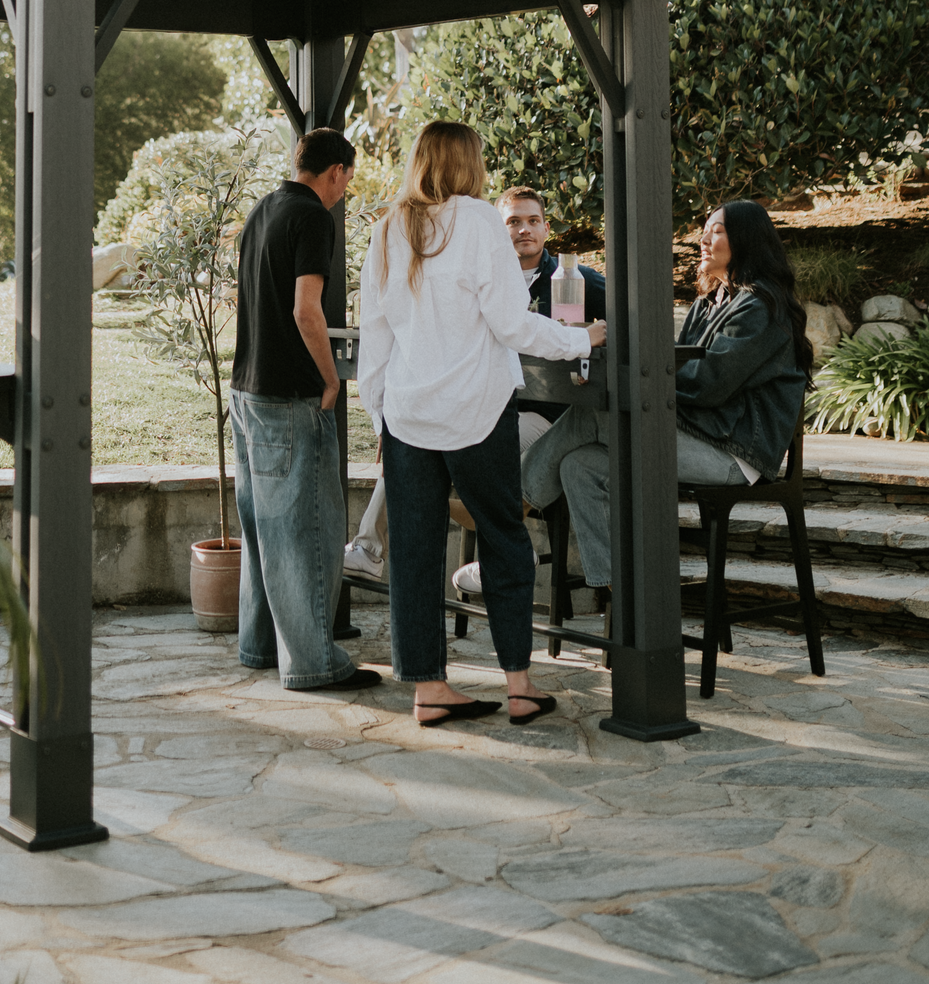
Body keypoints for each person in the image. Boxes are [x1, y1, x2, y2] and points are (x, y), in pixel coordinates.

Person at [358, 122, 606, 726]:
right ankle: (519, 685)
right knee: (504, 539)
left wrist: (381, 418)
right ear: (467, 162)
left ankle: (429, 690)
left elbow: (375, 338)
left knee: (413, 553)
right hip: (478, 412)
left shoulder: (388, 229)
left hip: (408, 417)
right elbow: (512, 324)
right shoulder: (475, 220)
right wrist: (582, 339)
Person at [520, 199, 812, 600]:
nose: (704, 240)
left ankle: (513, 506)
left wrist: (634, 381)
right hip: (701, 432)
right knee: (578, 465)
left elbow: (705, 384)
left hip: (733, 453)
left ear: (747, 240)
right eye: (704, 232)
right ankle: (623, 595)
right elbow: (673, 366)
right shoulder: (709, 302)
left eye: (717, 231)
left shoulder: (761, 306)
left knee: (590, 417)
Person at [345, 182, 604, 581]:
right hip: (478, 398)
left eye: (533, 221)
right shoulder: (474, 268)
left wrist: (591, 354)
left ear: (546, 228)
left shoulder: (575, 279)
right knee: (415, 430)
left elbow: (615, 326)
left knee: (468, 435)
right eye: (513, 222)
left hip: (540, 414)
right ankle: (370, 547)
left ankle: (502, 553)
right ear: (496, 228)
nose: (524, 229)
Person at [230, 126, 381, 693]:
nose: (345, 191)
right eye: (348, 179)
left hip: (245, 393)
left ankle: (259, 645)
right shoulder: (314, 217)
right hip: (290, 397)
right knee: (305, 531)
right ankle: (314, 662)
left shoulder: (262, 210)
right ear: (336, 171)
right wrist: (331, 378)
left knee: (261, 529)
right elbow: (305, 310)